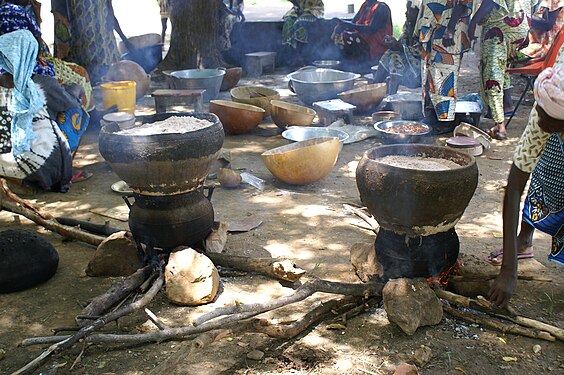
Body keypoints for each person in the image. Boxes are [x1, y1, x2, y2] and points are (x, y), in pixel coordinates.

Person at [488, 44, 564, 308]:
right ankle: (523, 243)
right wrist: (509, 270)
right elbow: (514, 187)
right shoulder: (549, 102)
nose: (541, 124)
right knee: (550, 168)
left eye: (550, 123)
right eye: (539, 115)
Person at [0, 30, 89, 191]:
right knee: (74, 112)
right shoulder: (41, 83)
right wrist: (76, 88)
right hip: (40, 168)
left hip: (3, 163)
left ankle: (12, 178)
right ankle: (57, 172)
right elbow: (68, 102)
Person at [469, 0, 533, 140]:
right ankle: (506, 107)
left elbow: (490, 3)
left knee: (492, 76)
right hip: (520, 30)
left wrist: (472, 23)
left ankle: (500, 126)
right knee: (501, 68)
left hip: (499, 31)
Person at [415, 0, 474, 132]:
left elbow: (463, 4)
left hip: (447, 30)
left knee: (445, 75)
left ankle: (445, 121)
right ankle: (433, 114)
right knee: (429, 74)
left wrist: (450, 28)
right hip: (431, 29)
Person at [52, 0, 132, 85]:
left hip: (105, 48)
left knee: (112, 85)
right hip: (82, 50)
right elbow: (60, 17)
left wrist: (124, 40)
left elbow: (109, 10)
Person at [373, 1, 421, 95]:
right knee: (390, 53)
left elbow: (420, 51)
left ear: (419, 13)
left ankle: (391, 98)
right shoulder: (409, 25)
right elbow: (402, 43)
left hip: (420, 70)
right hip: (410, 63)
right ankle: (374, 87)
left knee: (396, 58)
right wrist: (392, 43)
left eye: (410, 10)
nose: (406, 13)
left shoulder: (423, 28)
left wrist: (399, 47)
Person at [331, 0, 392, 71]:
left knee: (348, 37)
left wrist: (347, 25)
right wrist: (341, 23)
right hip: (363, 40)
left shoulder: (381, 8)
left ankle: (359, 67)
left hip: (376, 46)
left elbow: (371, 29)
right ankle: (348, 66)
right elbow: (353, 22)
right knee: (341, 34)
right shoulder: (365, 5)